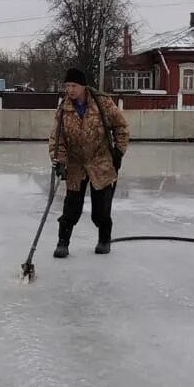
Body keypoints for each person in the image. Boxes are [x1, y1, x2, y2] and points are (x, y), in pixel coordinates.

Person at [47, 67, 129, 257]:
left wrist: (119, 151)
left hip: (101, 162)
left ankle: (104, 239)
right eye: (68, 86)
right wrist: (59, 160)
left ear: (83, 86)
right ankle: (63, 242)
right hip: (76, 165)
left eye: (74, 85)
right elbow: (57, 139)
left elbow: (121, 127)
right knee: (71, 209)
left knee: (101, 210)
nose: (70, 90)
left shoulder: (103, 103)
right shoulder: (64, 109)